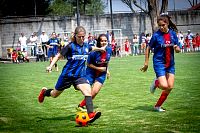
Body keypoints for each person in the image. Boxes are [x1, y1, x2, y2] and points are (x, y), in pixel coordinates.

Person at [38, 26, 105, 123]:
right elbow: (58, 56)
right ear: (75, 36)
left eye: (83, 37)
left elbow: (92, 48)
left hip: (79, 76)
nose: (82, 39)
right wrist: (50, 66)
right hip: (67, 76)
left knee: (88, 92)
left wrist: (100, 49)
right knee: (54, 94)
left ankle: (90, 115)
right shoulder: (70, 46)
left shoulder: (86, 46)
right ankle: (44, 92)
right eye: (80, 37)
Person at [140, 14, 181, 112]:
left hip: (170, 63)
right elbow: (148, 47)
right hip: (159, 63)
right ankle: (156, 82)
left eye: (163, 25)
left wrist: (177, 48)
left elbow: (178, 50)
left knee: (170, 87)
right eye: (160, 26)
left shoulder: (173, 34)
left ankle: (157, 106)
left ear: (167, 24)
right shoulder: (156, 35)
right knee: (164, 86)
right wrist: (146, 63)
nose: (161, 27)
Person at [77, 34, 112, 111]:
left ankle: (81, 105)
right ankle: (77, 85)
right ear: (98, 42)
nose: (104, 42)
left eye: (105, 41)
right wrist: (98, 68)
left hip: (101, 74)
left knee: (95, 92)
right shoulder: (93, 52)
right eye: (102, 41)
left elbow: (107, 61)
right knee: (86, 90)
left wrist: (107, 70)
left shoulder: (109, 50)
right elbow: (88, 64)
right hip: (91, 72)